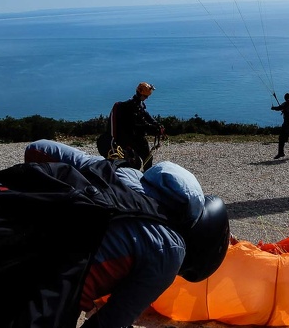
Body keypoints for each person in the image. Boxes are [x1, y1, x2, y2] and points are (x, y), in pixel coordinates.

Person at [25, 140, 230, 327]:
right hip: (45, 294)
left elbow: (38, 147)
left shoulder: (121, 172)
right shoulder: (171, 249)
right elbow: (112, 320)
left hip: (11, 243)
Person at [98, 81, 165, 171]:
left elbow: (147, 116)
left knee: (147, 158)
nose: (146, 98)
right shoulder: (132, 107)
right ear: (141, 94)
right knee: (138, 161)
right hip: (131, 140)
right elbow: (138, 125)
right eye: (145, 96)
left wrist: (157, 124)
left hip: (136, 138)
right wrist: (153, 128)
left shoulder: (138, 105)